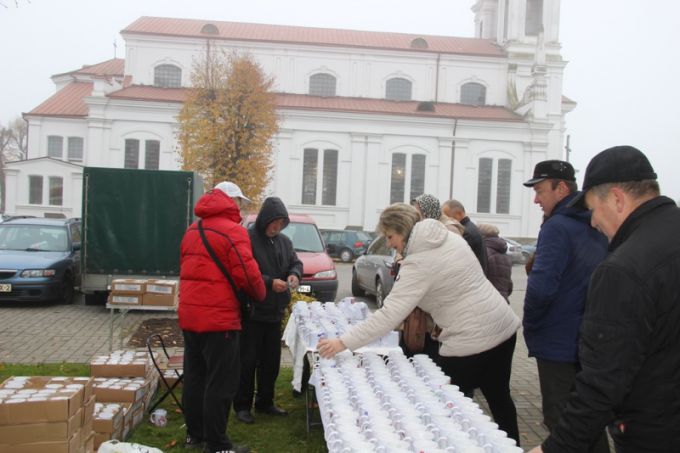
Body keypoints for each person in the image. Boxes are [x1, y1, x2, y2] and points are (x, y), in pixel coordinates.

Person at [318, 203, 522, 444]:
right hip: (502, 325)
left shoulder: (419, 263)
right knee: (499, 398)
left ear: (403, 230)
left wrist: (343, 342)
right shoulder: (447, 237)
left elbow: (389, 315)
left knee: (445, 407)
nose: (390, 243)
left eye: (390, 236)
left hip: (471, 341)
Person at [528, 146, 680, 452]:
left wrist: (552, 448)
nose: (593, 222)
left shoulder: (622, 269)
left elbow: (603, 383)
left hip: (653, 430)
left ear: (617, 199)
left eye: (594, 210)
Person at [522, 160, 610, 453]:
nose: (536, 199)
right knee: (586, 419)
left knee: (561, 422)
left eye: (540, 190)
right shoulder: (595, 222)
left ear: (561, 188)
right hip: (588, 338)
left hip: (558, 341)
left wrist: (532, 326)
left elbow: (541, 287)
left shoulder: (558, 226)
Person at [178, 181, 266, 453]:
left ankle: (195, 434)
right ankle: (217, 444)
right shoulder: (234, 232)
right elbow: (248, 275)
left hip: (191, 316)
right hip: (219, 320)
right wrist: (261, 294)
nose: (241, 206)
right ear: (230, 201)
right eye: (239, 200)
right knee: (221, 383)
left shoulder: (192, 230)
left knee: (195, 378)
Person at [234, 197, 303, 424]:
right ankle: (242, 405)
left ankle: (265, 402)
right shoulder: (249, 239)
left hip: (275, 312)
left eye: (281, 223)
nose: (277, 227)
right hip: (253, 311)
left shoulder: (284, 241)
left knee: (271, 362)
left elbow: (295, 262)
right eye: (274, 222)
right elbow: (245, 271)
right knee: (247, 361)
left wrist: (294, 274)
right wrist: (268, 282)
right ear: (265, 219)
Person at [441, 199, 488, 274]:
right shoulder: (470, 227)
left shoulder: (466, 232)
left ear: (459, 214)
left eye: (448, 217)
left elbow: (458, 260)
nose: (447, 220)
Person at [477, 223, 513, 301]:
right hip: (503, 299)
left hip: (488, 300)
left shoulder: (483, 252)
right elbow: (509, 285)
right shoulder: (504, 254)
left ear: (481, 235)